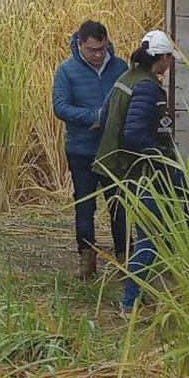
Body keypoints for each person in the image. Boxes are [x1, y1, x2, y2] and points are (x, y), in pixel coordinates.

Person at [93, 29, 183, 316]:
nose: (170, 64)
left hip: (128, 171)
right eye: (170, 59)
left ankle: (142, 294)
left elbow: (104, 118)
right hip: (145, 173)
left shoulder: (126, 78)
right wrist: (158, 155)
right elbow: (134, 132)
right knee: (150, 236)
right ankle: (131, 302)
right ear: (164, 58)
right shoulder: (146, 86)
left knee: (155, 232)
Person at [52, 20, 129, 279]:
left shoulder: (119, 67)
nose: (98, 55)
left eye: (103, 49)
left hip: (114, 149)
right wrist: (93, 116)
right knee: (85, 205)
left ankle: (124, 259)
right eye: (92, 50)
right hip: (81, 149)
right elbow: (60, 107)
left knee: (119, 204)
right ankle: (87, 260)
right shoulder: (67, 70)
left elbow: (131, 101)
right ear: (79, 44)